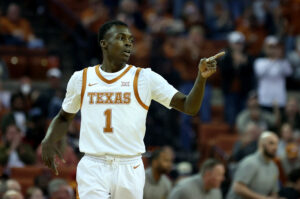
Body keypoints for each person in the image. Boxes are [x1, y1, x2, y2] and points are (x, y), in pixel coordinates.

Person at [41, 20, 224, 199]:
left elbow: (188, 106)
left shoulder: (145, 78)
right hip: (93, 164)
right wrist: (50, 138)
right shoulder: (81, 78)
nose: (128, 43)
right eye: (121, 38)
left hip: (130, 165)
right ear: (104, 43)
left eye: (130, 39)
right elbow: (65, 117)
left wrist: (201, 78)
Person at [226, 131, 280, 199]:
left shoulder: (274, 168)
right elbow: (238, 188)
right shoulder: (250, 162)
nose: (275, 147)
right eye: (271, 143)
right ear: (261, 144)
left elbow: (274, 193)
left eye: (277, 144)